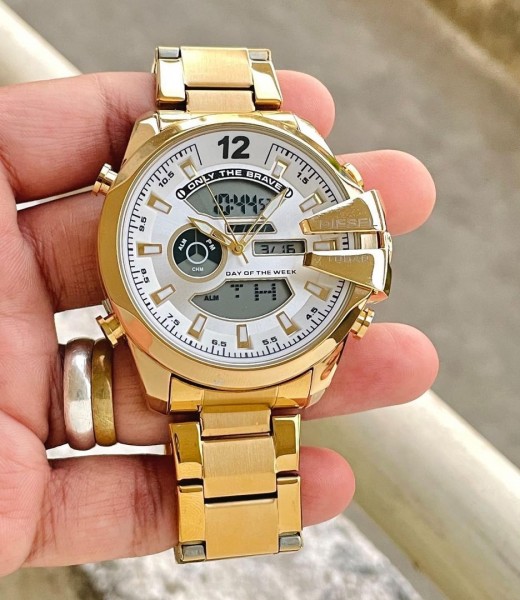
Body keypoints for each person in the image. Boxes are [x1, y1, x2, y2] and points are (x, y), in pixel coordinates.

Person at [0, 70, 438, 574]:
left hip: (276, 354)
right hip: (201, 352)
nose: (240, 254)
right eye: (226, 250)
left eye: (250, 247)